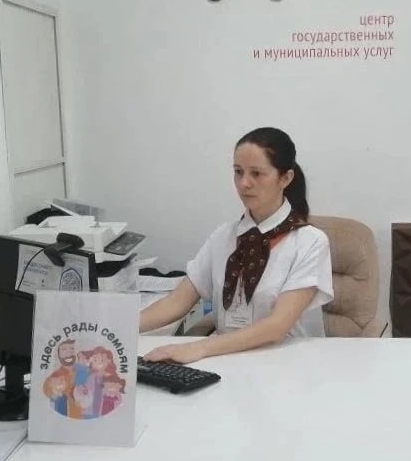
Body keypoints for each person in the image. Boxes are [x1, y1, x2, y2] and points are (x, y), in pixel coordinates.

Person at [139, 127, 333, 364]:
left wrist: (199, 347)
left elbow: (277, 326)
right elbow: (176, 303)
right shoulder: (224, 236)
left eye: (256, 174)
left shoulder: (310, 242)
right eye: (238, 172)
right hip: (225, 360)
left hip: (287, 365)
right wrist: (114, 327)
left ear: (285, 178)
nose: (244, 183)